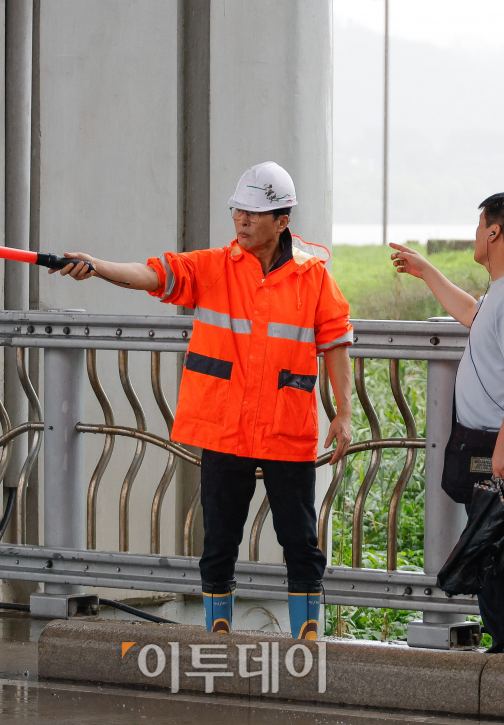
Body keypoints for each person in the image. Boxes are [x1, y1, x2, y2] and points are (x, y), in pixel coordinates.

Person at [51, 161, 355, 640]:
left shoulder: (313, 278)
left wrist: (343, 413)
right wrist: (99, 267)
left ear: (282, 221)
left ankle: (308, 642)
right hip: (225, 427)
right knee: (219, 543)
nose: (241, 221)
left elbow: (336, 343)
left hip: (285, 428)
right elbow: (152, 274)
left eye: (254, 214)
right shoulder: (213, 267)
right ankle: (220, 637)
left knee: (300, 544)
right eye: (238, 211)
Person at [389, 193, 504, 655]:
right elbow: (471, 315)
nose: (476, 234)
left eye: (480, 225)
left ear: (494, 232)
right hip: (497, 440)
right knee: (492, 547)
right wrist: (425, 271)